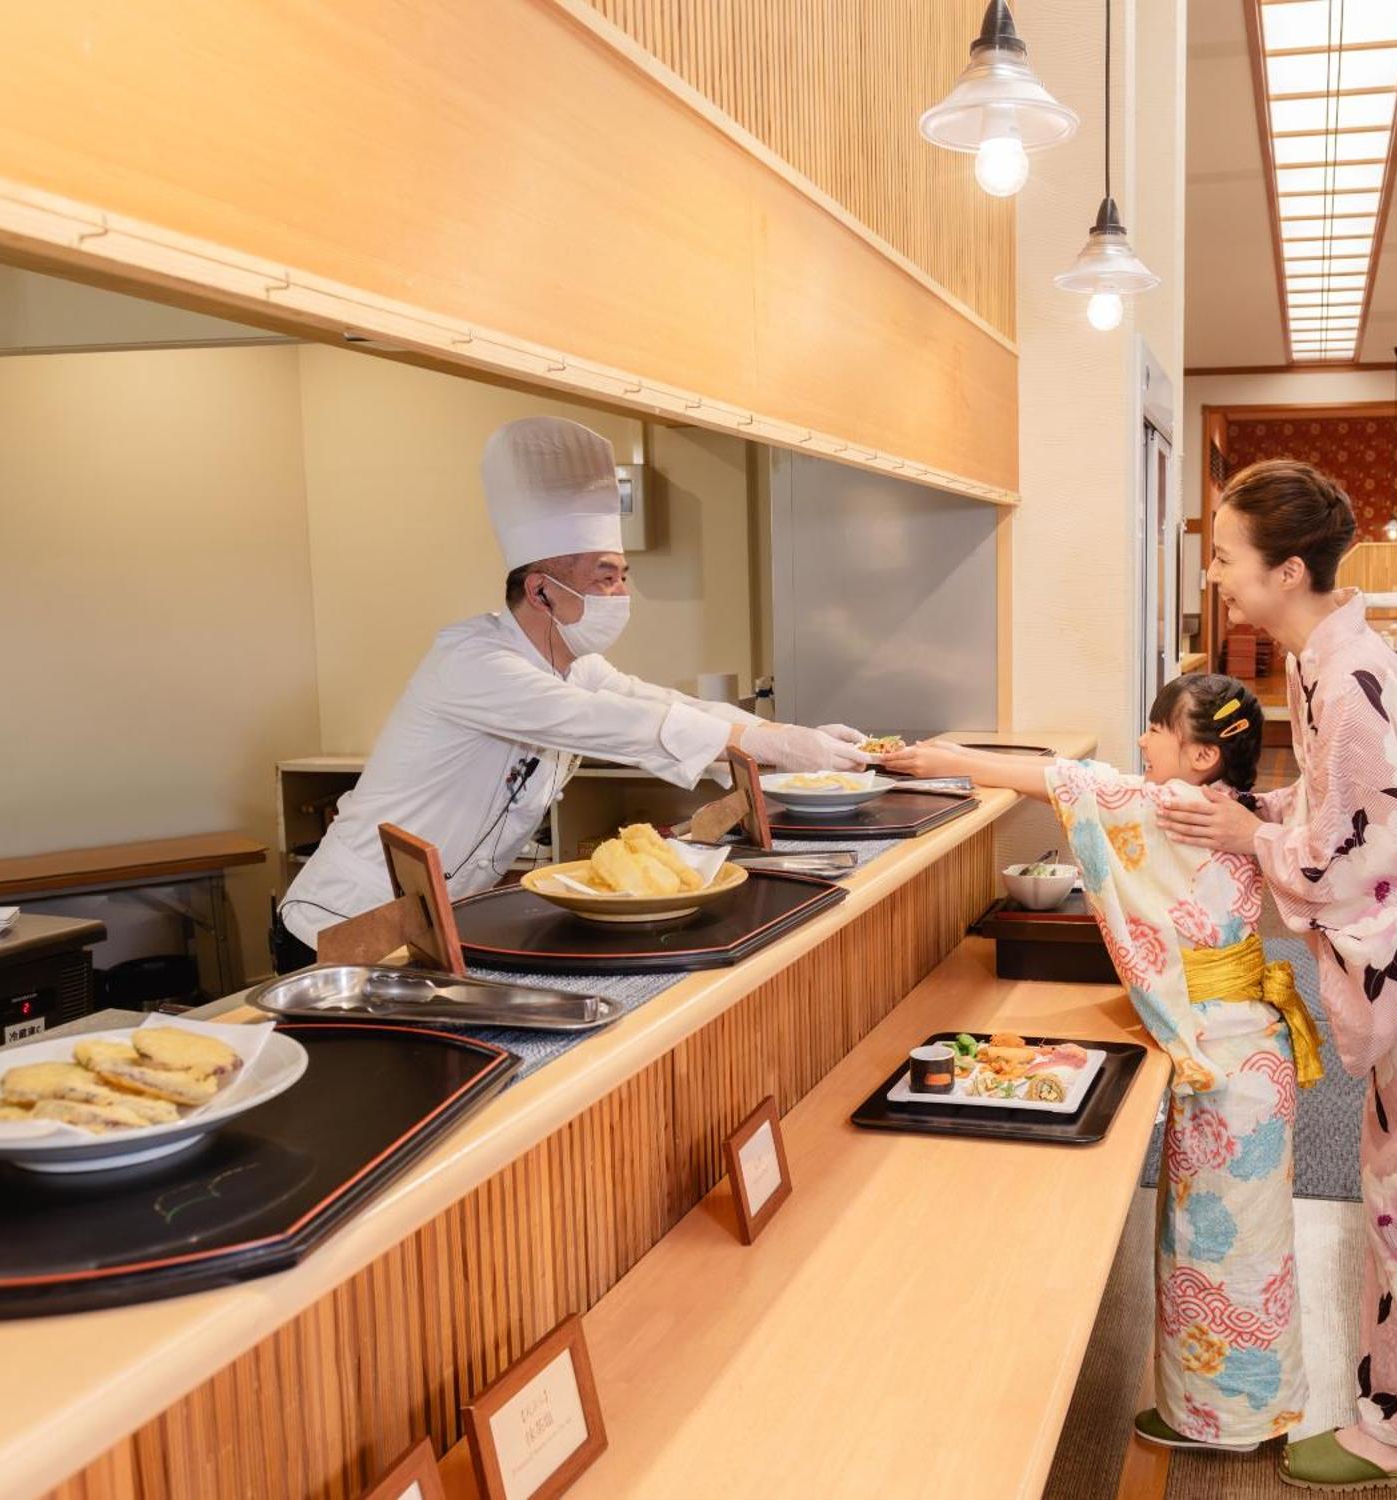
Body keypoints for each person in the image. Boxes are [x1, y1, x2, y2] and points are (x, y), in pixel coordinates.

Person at [1158, 460, 1397, 1492]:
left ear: (1286, 570)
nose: (1218, 577)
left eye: (1228, 559)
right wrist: (1274, 818)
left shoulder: (1344, 675)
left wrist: (1254, 832)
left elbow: (1367, 862)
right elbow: (1359, 810)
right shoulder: (1335, 656)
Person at [886, 675, 1318, 1454]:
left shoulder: (1167, 806)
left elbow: (1063, 779)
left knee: (1206, 1243)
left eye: (1157, 729)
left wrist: (940, 759)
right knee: (1252, 1243)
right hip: (1251, 1044)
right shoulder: (1237, 812)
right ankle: (1258, 1409)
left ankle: (1217, 1424)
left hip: (1219, 1054)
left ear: (1200, 755)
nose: (1143, 740)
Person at [276, 416, 867, 966]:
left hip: (431, 923)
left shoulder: (575, 665)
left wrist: (784, 735)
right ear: (540, 592)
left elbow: (658, 704)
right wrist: (776, 747)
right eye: (605, 578)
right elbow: (609, 724)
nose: (621, 594)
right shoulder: (473, 660)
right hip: (341, 922)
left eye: (623, 578)